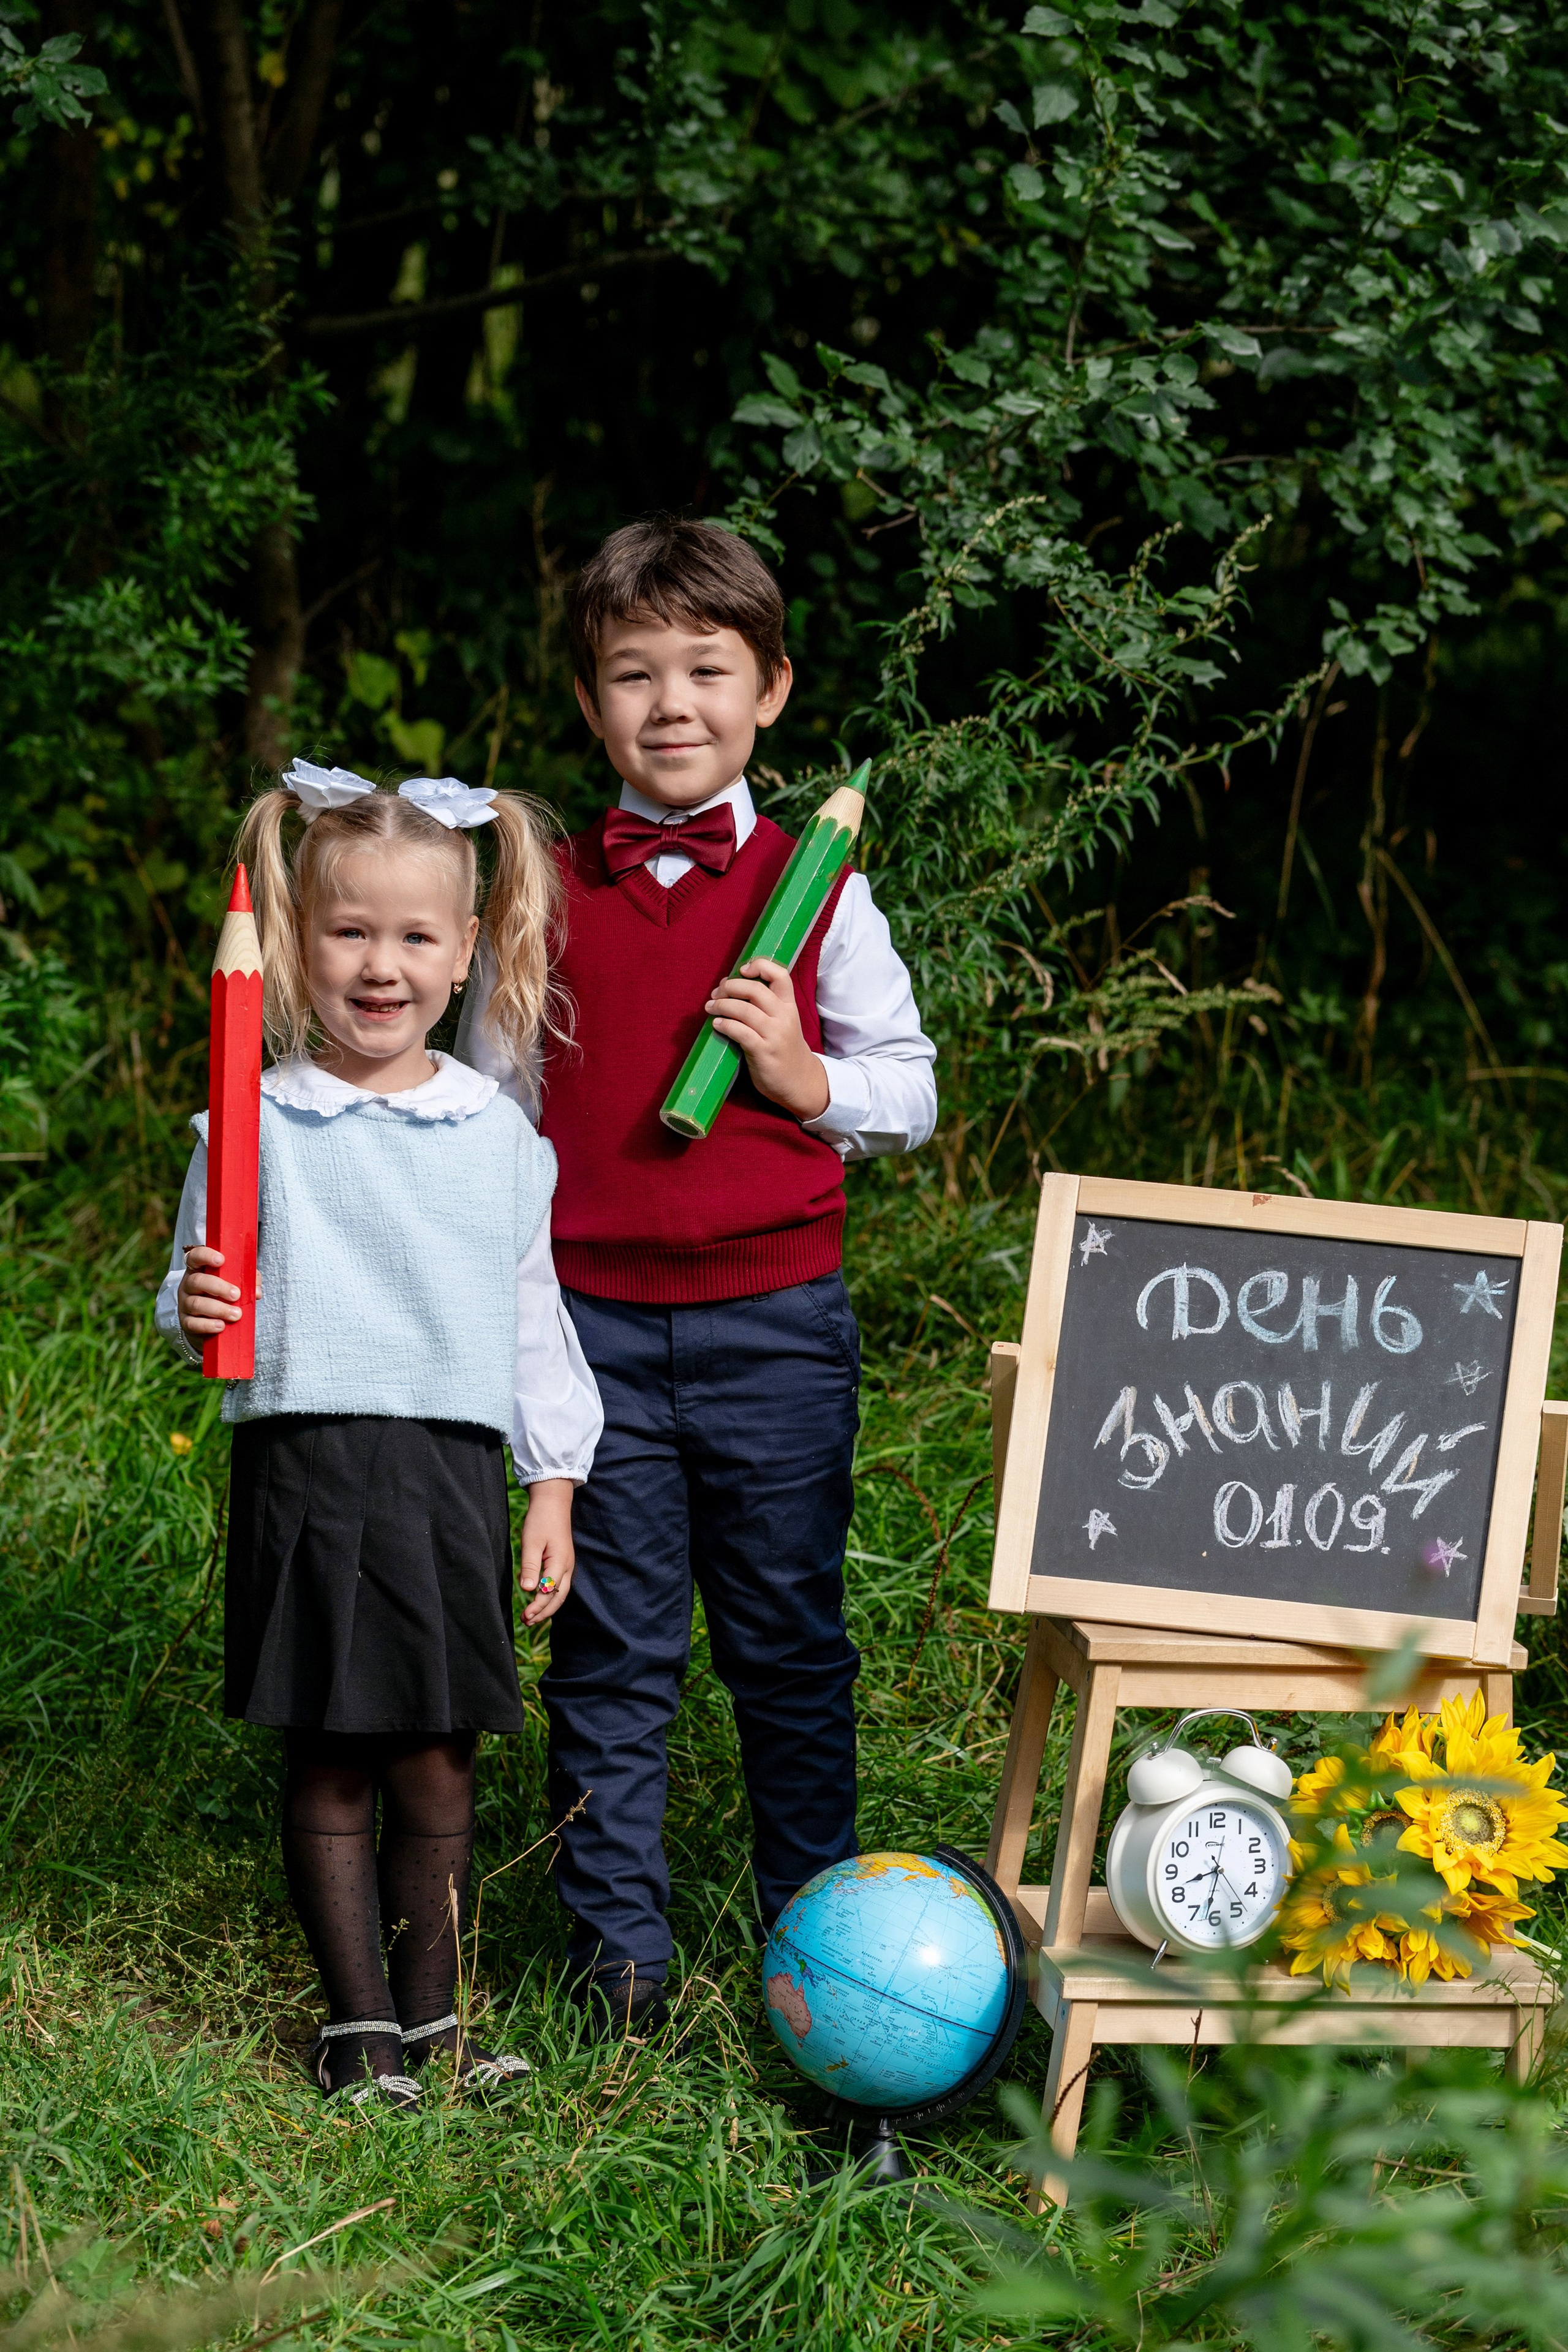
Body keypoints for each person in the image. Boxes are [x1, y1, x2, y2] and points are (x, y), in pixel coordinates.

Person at [458, 515, 937, 2036]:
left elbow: (909, 1089)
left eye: (706, 671)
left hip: (775, 1326)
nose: (671, 704)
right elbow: (494, 1108)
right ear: (590, 702)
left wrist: (804, 1077)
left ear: (770, 691)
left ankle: (832, 1968)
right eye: (632, 674)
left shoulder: (818, 886)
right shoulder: (535, 890)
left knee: (788, 1642)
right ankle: (620, 1976)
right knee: (611, 1651)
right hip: (587, 1330)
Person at [155, 765, 603, 2109]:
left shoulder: (498, 1140)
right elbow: (199, 1291)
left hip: (448, 1470)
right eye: (349, 931)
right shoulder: (251, 1124)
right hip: (305, 1460)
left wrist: (553, 1485)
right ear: (295, 937)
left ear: (466, 950)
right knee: (332, 1747)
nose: (381, 965)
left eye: (416, 937)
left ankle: (440, 2023)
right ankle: (358, 2031)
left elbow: (534, 1323)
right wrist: (194, 1301)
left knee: (437, 1749)